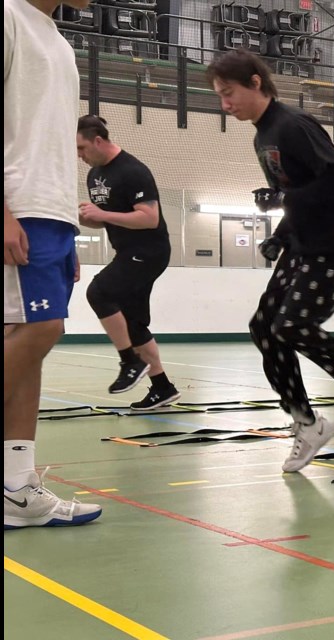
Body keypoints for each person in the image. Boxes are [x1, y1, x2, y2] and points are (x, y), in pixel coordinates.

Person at [207, 50, 334, 473]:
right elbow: (298, 194)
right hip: (303, 243)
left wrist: (284, 200)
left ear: (255, 83)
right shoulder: (261, 135)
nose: (225, 104)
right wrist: (280, 235)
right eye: (220, 96)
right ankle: (307, 423)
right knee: (264, 328)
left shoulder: (292, 125)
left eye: (229, 93)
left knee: (291, 326)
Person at [4, 0, 102, 529]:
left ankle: (16, 487)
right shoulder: (8, 16)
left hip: (51, 214)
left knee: (29, 341)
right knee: (40, 330)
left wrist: (68, 226)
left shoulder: (57, 38)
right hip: (20, 205)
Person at [76, 115, 181, 410]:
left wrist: (103, 215)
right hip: (126, 251)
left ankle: (129, 362)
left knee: (99, 292)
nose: (80, 156)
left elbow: (149, 218)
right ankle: (163, 389)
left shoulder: (132, 171)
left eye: (82, 148)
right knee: (132, 323)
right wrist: (91, 219)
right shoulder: (94, 174)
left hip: (150, 251)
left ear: (98, 140)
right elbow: (106, 219)